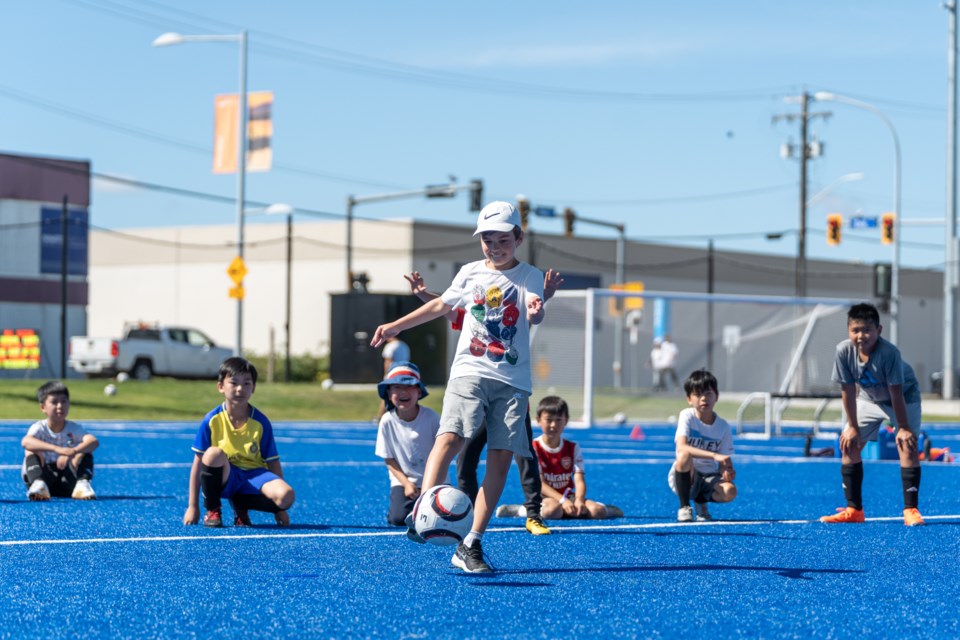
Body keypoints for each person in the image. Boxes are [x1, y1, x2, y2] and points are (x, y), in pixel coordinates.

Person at [371, 201, 545, 573]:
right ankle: (423, 511)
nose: (495, 247)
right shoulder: (469, 273)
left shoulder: (530, 275)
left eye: (502, 239)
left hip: (513, 382)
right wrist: (397, 325)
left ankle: (471, 543)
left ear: (518, 237)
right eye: (487, 240)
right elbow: (441, 307)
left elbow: (537, 307)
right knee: (450, 437)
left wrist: (535, 310)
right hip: (470, 370)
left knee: (501, 457)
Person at [405, 268, 565, 536]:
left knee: (523, 457)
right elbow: (445, 306)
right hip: (476, 393)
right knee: (465, 457)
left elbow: (530, 309)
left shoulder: (516, 303)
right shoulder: (472, 316)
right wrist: (423, 295)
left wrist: (544, 297)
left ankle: (533, 513)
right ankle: (460, 511)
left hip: (509, 392)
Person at [821, 302, 924, 526]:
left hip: (903, 398)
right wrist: (853, 426)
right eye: (855, 330)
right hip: (868, 398)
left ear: (879, 330)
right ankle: (854, 510)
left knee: (907, 445)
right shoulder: (843, 351)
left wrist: (903, 427)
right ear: (848, 331)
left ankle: (911, 510)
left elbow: (895, 392)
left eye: (867, 330)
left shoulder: (889, 354)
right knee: (849, 443)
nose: (861, 335)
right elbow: (847, 390)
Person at [183, 357, 295, 528]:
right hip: (227, 477)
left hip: (254, 476)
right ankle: (213, 510)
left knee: (286, 496)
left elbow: (273, 462)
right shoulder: (211, 420)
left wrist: (280, 509)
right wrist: (193, 506)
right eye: (234, 383)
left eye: (247, 383)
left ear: (254, 387)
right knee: (213, 454)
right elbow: (198, 463)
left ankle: (241, 504)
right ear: (221, 386)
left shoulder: (261, 422)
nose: (240, 389)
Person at [502, 395, 623, 520]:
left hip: (568, 496)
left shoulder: (572, 447)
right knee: (552, 511)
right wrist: (562, 500)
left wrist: (579, 500)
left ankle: (606, 509)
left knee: (597, 512)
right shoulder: (534, 447)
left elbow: (579, 479)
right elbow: (540, 484)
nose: (553, 425)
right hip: (545, 498)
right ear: (538, 420)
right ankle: (521, 509)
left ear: (566, 420)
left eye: (559, 420)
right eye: (549, 420)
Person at [374, 361, 443, 529]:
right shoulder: (387, 421)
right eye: (396, 387)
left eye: (410, 387)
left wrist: (433, 483)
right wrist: (406, 484)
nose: (403, 392)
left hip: (435, 479)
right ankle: (410, 505)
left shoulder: (432, 418)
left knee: (441, 520)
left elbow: (443, 453)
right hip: (404, 481)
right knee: (397, 519)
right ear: (388, 393)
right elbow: (389, 459)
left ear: (419, 391)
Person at [667, 369, 737, 522]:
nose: (704, 398)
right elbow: (682, 447)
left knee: (730, 491)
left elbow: (724, 462)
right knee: (684, 455)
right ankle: (684, 506)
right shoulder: (687, 416)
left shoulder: (723, 427)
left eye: (708, 393)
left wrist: (727, 472)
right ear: (689, 399)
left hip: (709, 476)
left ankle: (701, 503)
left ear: (716, 396)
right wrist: (713, 455)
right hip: (686, 474)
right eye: (698, 394)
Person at [21, 380, 99, 501]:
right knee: (30, 450)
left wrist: (73, 451)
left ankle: (82, 484)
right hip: (45, 477)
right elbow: (26, 442)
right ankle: (38, 484)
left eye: (63, 401)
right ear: (43, 407)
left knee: (84, 450)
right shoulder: (39, 428)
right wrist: (58, 450)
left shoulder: (74, 428)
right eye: (54, 402)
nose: (60, 406)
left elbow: (93, 441)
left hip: (67, 480)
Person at [377, 336, 411, 419]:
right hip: (404, 374)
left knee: (386, 396)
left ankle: (380, 418)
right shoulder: (404, 345)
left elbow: (388, 362)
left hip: (393, 375)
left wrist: (386, 375)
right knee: (402, 397)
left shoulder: (390, 346)